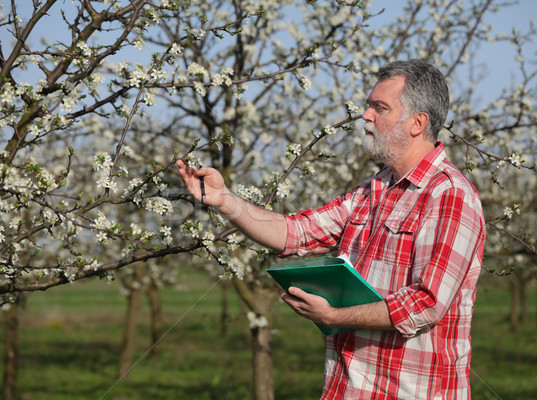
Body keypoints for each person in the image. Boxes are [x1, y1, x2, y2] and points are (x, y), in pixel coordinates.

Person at [177, 59, 486, 400]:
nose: (366, 116)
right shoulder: (373, 190)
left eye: (379, 108)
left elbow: (425, 303)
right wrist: (224, 200)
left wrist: (334, 315)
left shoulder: (450, 194)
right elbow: (297, 232)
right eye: (369, 106)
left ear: (417, 122)